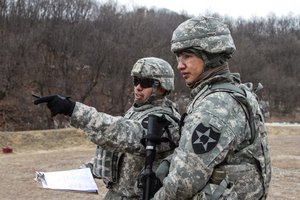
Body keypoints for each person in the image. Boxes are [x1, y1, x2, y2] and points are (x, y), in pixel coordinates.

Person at [152, 16, 272, 200]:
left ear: (211, 55)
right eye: (178, 57)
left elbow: (183, 184)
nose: (179, 65)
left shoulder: (216, 105)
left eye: (187, 56)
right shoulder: (237, 92)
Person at [34, 57, 181, 199]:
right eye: (136, 81)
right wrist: (82, 172)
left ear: (161, 87)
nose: (138, 87)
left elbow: (124, 134)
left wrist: (73, 109)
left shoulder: (166, 121)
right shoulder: (136, 112)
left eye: (145, 82)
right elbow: (119, 153)